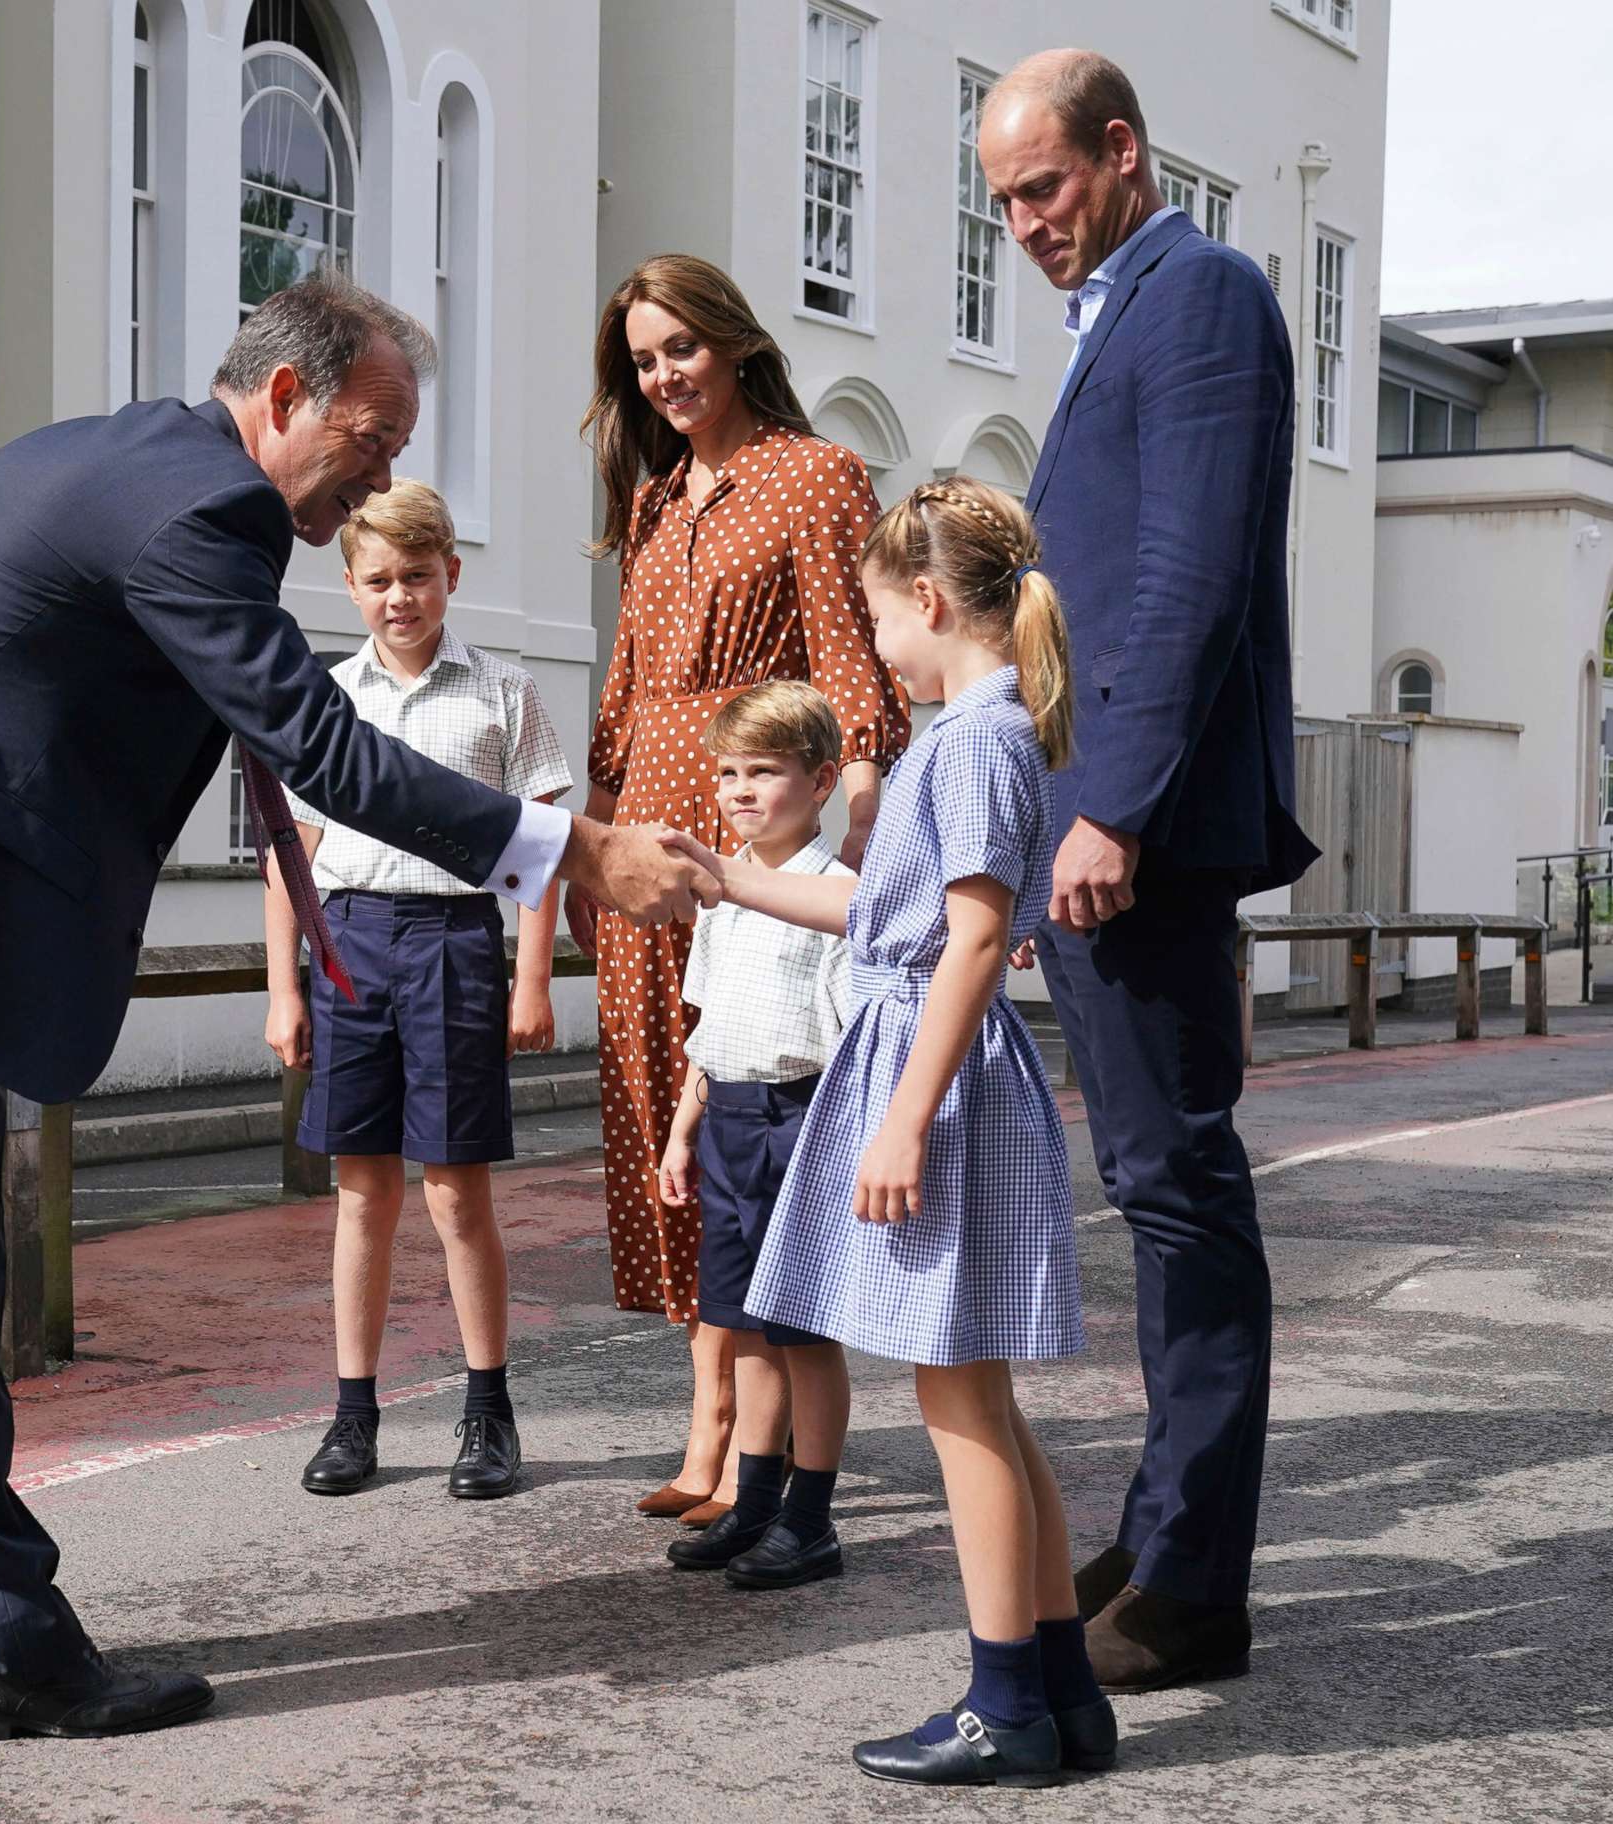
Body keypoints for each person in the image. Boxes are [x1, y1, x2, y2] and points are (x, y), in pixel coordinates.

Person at [0, 274, 713, 1744]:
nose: (385, 472)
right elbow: (322, 746)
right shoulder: (202, 510)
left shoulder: (136, 455)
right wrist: (577, 848)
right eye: (372, 437)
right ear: (287, 398)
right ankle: (3, 1649)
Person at [665, 479, 1112, 1788]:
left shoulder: (968, 739)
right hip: (936, 1055)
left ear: (925, 602)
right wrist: (729, 876)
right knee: (981, 1399)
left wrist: (904, 1116)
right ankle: (1057, 1689)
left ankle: (1004, 1704)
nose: (877, 651)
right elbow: (891, 917)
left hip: (937, 1072)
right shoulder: (982, 728)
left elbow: (972, 938)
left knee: (955, 1398)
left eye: (877, 622)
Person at [979, 52, 1319, 1691]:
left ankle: (1192, 1577)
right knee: (1156, 1185)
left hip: (1140, 830)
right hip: (1116, 827)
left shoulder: (1202, 294)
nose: (1024, 224)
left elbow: (1186, 576)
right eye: (1001, 203)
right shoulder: (1128, 308)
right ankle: (1161, 1523)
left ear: (1121, 153)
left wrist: (1103, 807)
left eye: (1042, 187)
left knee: (1181, 1193)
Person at [573, 254, 909, 1527]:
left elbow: (852, 667)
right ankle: (707, 1409)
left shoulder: (815, 475)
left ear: (732, 341)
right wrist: (589, 846)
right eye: (643, 361)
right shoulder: (657, 502)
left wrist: (862, 840)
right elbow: (619, 695)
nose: (663, 377)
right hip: (643, 849)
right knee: (667, 1123)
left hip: (749, 841)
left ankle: (742, 1429)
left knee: (745, 1119)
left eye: (680, 350)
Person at [260, 479, 572, 1503]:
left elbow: (541, 848)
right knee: (363, 1192)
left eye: (420, 577)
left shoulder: (502, 693)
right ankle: (354, 1414)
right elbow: (289, 860)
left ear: (452, 576)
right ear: (349, 584)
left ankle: (489, 1410)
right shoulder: (328, 699)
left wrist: (532, 977)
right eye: (380, 580)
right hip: (349, 943)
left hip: (453, 943)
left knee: (454, 1191)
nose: (401, 597)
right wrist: (286, 990)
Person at [654, 682, 857, 1589]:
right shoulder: (721, 892)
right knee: (741, 1327)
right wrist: (681, 1131)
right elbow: (711, 1031)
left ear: (819, 783)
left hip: (802, 1119)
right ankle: (756, 1501)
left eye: (763, 772)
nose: (739, 790)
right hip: (731, 1119)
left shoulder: (837, 895)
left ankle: (811, 1520)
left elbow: (855, 1036)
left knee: (803, 1333)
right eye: (729, 771)